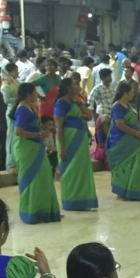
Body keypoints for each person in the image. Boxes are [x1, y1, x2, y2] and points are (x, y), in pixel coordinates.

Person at [9, 85, 62, 225]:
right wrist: (38, 134)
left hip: (36, 147)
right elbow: (18, 131)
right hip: (26, 148)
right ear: (27, 95)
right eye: (34, 93)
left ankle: (43, 210)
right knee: (31, 179)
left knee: (43, 177)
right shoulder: (22, 110)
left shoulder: (31, 107)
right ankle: (31, 211)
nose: (37, 95)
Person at [53, 72, 98, 211]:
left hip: (80, 140)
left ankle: (83, 199)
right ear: (67, 88)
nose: (78, 86)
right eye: (75, 84)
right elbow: (59, 127)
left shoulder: (76, 102)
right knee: (71, 171)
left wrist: (81, 103)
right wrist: (63, 147)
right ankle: (71, 200)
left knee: (82, 169)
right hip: (69, 140)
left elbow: (89, 116)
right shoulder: (61, 103)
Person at [106, 82, 140, 200]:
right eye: (131, 92)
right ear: (125, 93)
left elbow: (135, 122)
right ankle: (123, 190)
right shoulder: (117, 106)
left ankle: (135, 190)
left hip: (134, 141)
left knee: (137, 164)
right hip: (121, 140)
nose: (133, 94)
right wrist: (136, 133)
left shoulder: (130, 106)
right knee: (124, 165)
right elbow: (120, 124)